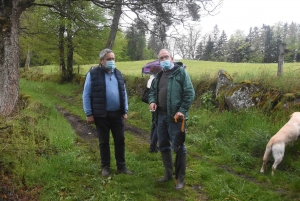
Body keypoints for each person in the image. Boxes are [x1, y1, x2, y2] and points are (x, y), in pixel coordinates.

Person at [82, 48, 133, 177]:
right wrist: (89, 113)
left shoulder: (118, 73)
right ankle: (106, 167)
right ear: (101, 60)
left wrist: (125, 110)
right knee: (104, 141)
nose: (111, 61)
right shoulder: (93, 74)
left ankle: (121, 166)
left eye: (113, 59)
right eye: (109, 59)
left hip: (117, 114)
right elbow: (86, 94)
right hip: (101, 114)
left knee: (120, 140)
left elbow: (123, 93)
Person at [148, 49, 195, 190]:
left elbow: (190, 93)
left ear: (172, 58)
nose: (164, 60)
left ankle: (180, 179)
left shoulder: (181, 73)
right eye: (161, 58)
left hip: (175, 118)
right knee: (163, 145)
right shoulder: (159, 75)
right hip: (160, 116)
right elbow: (152, 93)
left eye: (166, 57)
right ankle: (168, 174)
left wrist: (182, 110)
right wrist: (152, 101)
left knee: (179, 147)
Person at [146, 65, 162, 153]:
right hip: (156, 105)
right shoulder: (155, 80)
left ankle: (152, 143)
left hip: (152, 104)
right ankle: (153, 146)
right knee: (157, 125)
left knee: (154, 124)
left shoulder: (150, 79)